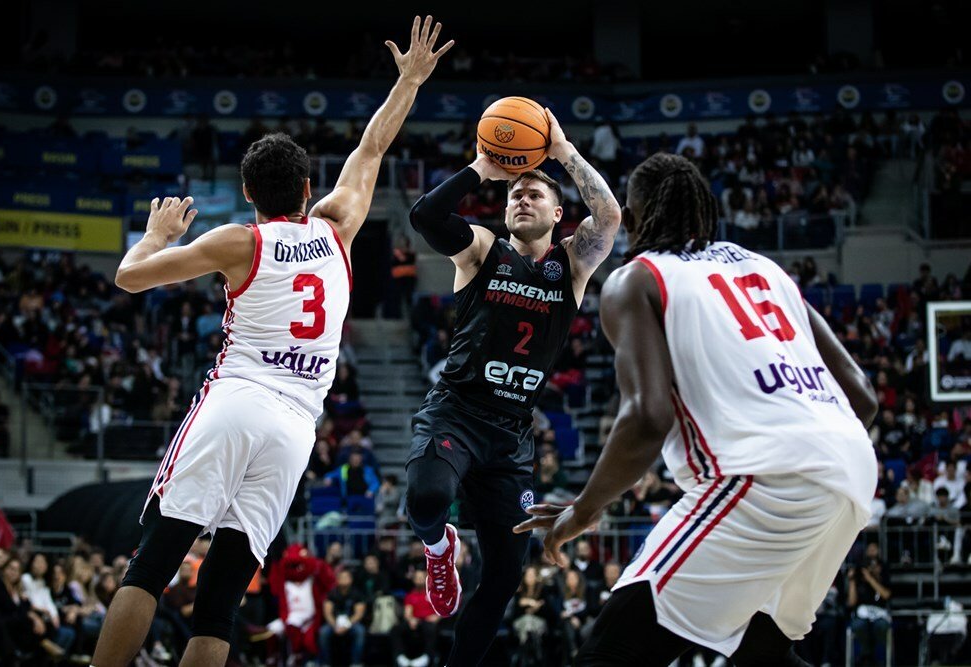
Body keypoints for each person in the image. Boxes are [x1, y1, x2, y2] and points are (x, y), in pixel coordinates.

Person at [91, 17, 453, 667]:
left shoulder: (241, 241)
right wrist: (408, 82)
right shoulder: (338, 227)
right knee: (221, 599)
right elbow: (371, 149)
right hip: (296, 428)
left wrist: (157, 235)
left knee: (151, 564)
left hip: (236, 400)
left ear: (249, 195)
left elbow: (129, 276)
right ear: (310, 190)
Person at [516, 152, 879, 666]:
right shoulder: (765, 269)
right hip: (851, 473)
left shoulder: (636, 279)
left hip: (761, 479)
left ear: (635, 220)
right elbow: (861, 396)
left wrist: (584, 508)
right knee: (761, 651)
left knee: (612, 650)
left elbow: (647, 417)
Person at [404, 103, 621, 666]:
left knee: (503, 577)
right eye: (514, 195)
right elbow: (426, 216)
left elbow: (611, 218)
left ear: (557, 215)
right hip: (456, 411)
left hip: (509, 436)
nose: (521, 199)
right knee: (426, 501)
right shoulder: (481, 249)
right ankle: (439, 547)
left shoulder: (572, 264)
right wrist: (482, 168)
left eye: (534, 195)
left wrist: (564, 153)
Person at [319, 569, 367, 667]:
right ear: (337, 580)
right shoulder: (331, 594)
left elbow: (359, 614)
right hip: (334, 623)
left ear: (351, 579)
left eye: (346, 577)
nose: (344, 579)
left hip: (351, 623)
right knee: (323, 632)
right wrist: (335, 626)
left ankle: (356, 663)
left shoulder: (357, 593)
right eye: (341, 577)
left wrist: (347, 625)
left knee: (360, 631)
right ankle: (325, 663)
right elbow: (327, 613)